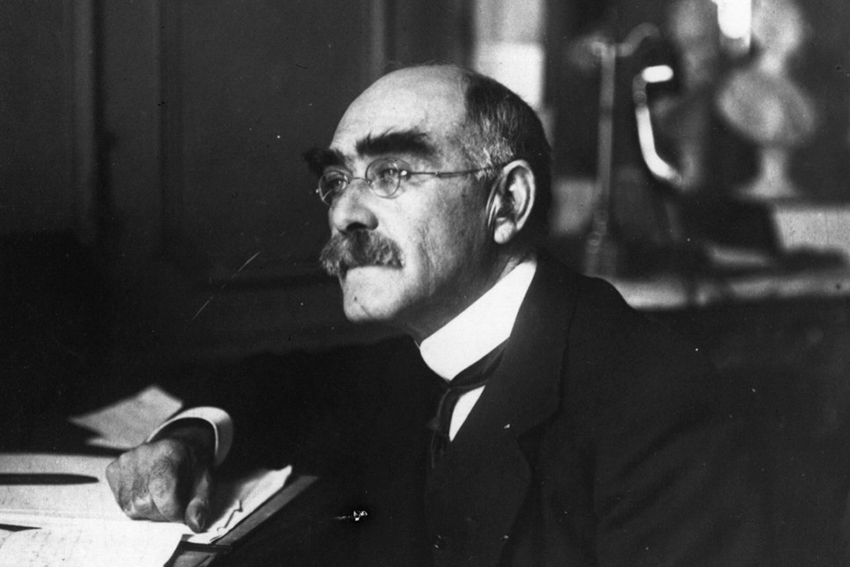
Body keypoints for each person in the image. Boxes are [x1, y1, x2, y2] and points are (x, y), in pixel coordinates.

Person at [106, 64, 769, 566]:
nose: (345, 212)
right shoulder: (424, 349)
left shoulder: (660, 408)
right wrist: (188, 438)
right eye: (337, 180)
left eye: (392, 173)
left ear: (507, 201)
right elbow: (272, 389)